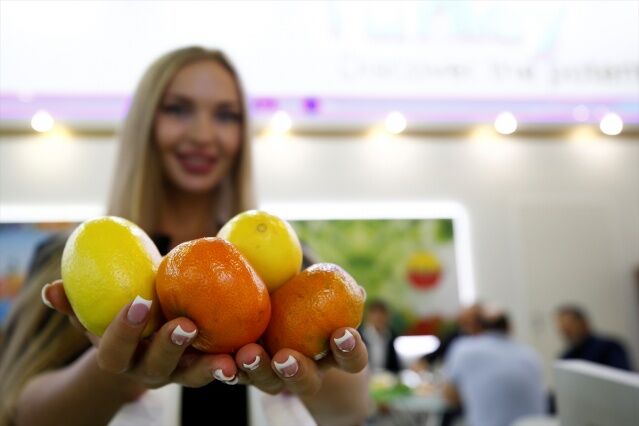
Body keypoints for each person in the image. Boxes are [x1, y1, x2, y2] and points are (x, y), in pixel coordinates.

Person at [0, 46, 371, 426]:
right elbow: (20, 413)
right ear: (144, 123)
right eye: (178, 109)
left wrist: (312, 370)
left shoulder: (284, 262)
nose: (202, 135)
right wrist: (118, 371)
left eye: (225, 115)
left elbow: (352, 408)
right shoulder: (73, 257)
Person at [442, 310, 545, 426]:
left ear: (478, 327)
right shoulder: (530, 354)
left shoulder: (463, 350)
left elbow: (450, 397)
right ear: (509, 328)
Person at [556, 304, 633, 371]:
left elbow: (622, 376)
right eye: (564, 329)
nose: (567, 332)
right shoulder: (566, 358)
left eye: (570, 326)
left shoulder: (609, 347)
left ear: (583, 323)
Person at [360, 299, 399, 373]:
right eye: (375, 313)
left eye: (382, 313)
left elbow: (395, 365)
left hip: (386, 376)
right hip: (363, 375)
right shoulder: (360, 334)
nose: (379, 317)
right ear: (367, 315)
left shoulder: (392, 335)